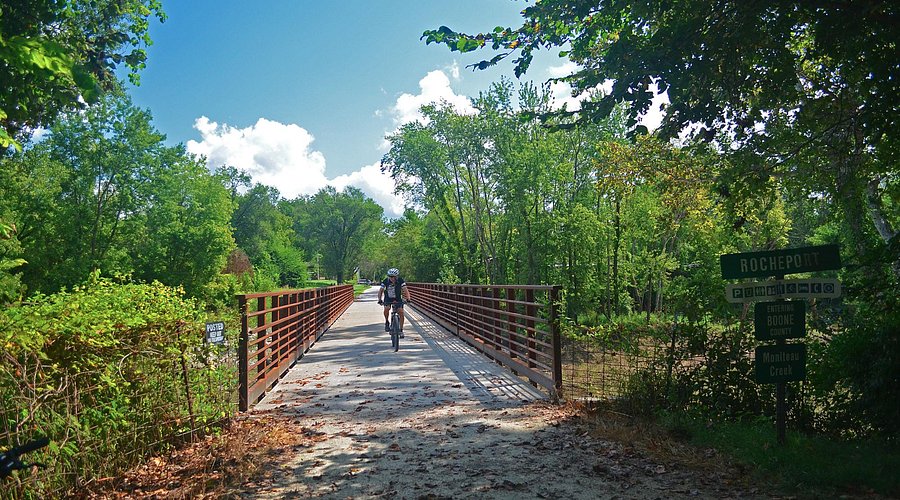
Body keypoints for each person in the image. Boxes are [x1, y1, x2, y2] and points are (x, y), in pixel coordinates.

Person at [377, 268, 410, 337]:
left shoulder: (400, 281)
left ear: (396, 276)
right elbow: (380, 291)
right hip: (388, 298)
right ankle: (387, 322)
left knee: (401, 312)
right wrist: (379, 299)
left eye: (394, 277)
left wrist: (408, 299)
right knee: (387, 308)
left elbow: (405, 290)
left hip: (397, 298)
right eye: (390, 276)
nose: (392, 278)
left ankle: (401, 330)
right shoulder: (385, 281)